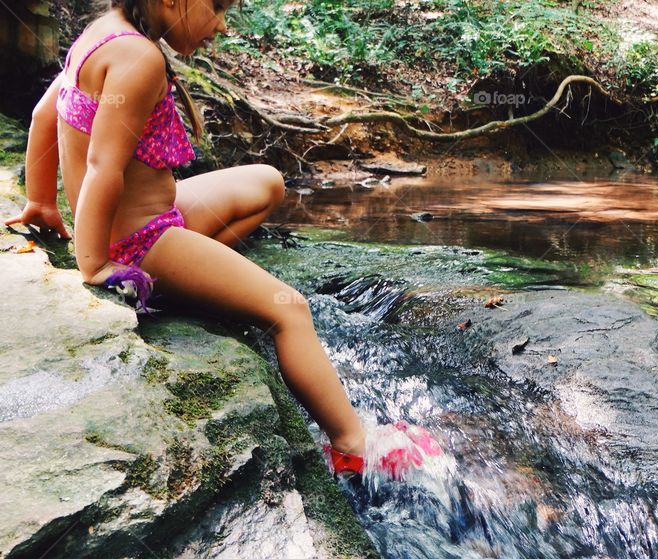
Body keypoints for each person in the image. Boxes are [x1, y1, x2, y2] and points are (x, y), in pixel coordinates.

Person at [5, 0, 441, 480]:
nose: (222, 24)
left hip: (155, 217)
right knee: (288, 310)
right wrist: (94, 264)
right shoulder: (138, 58)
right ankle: (352, 445)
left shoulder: (104, 32)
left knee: (267, 182)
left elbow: (46, 112)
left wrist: (44, 201)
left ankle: (199, 275)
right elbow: (101, 167)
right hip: (137, 244)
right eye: (216, 7)